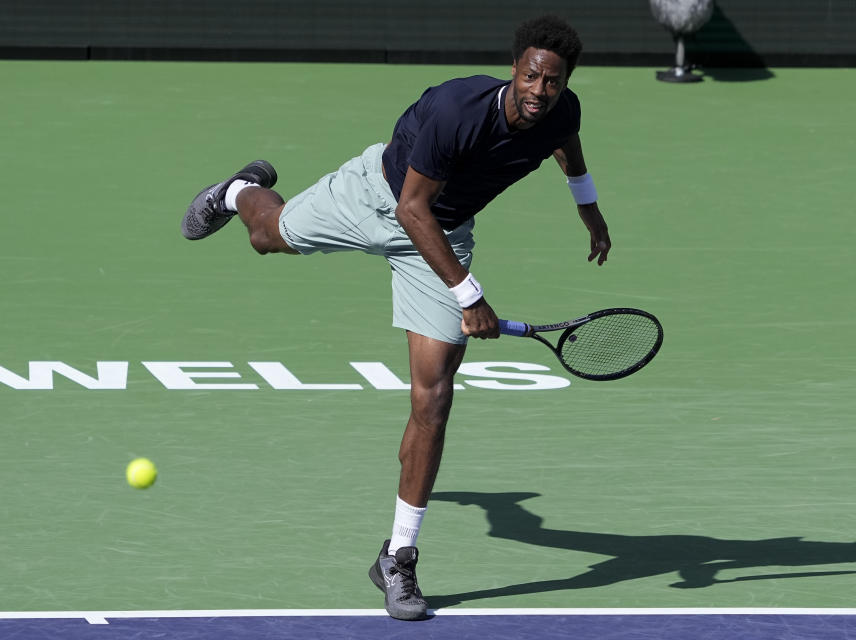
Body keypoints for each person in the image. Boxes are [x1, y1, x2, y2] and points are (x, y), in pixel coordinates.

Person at [181, 14, 610, 620]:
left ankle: (398, 557)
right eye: (533, 76)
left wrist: (589, 213)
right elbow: (412, 209)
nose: (541, 91)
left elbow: (569, 151)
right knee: (266, 236)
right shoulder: (457, 111)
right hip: (379, 198)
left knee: (433, 397)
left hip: (446, 231)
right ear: (514, 69)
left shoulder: (562, 112)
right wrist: (469, 296)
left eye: (554, 81)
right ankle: (236, 191)